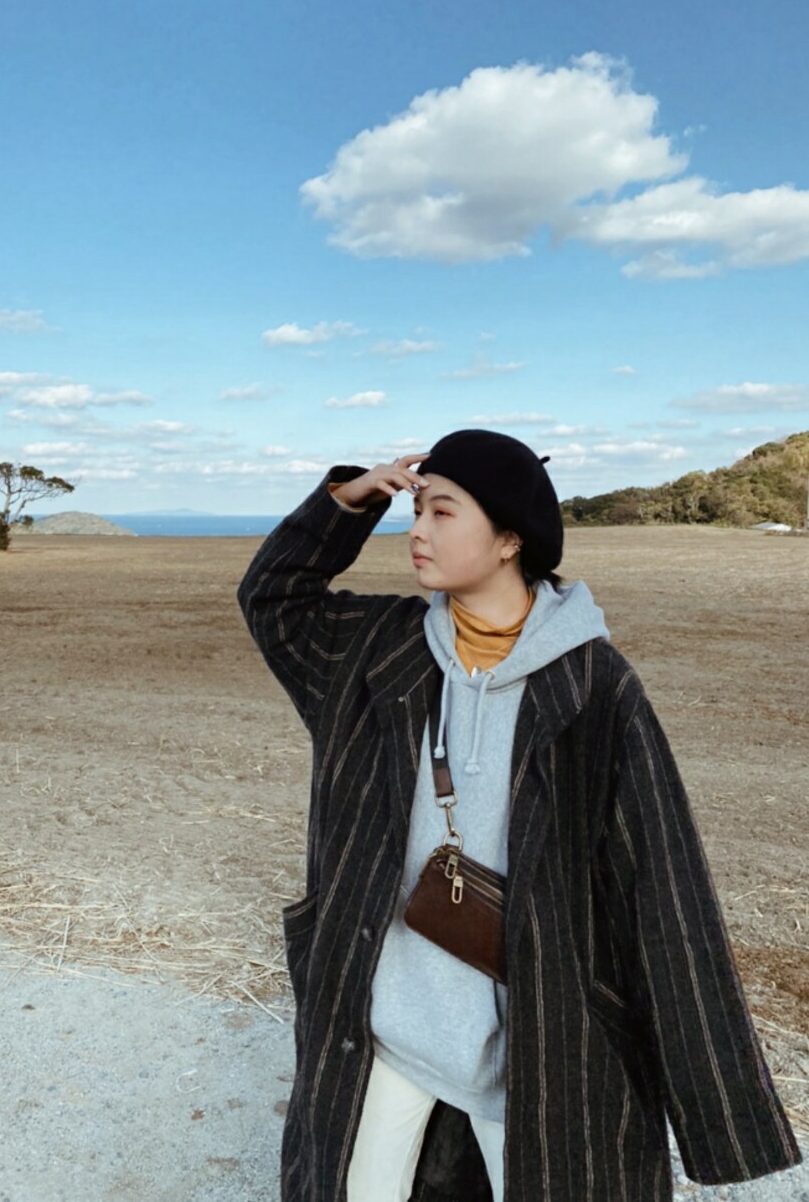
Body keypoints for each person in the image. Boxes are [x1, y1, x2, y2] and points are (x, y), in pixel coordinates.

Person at [237, 430, 801, 1202]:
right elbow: (272, 600)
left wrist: (718, 1111)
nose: (418, 531)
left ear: (510, 540)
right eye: (416, 511)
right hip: (387, 1021)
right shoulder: (377, 649)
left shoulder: (594, 687)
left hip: (536, 1040)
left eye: (443, 512)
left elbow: (664, 891)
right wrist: (349, 500)